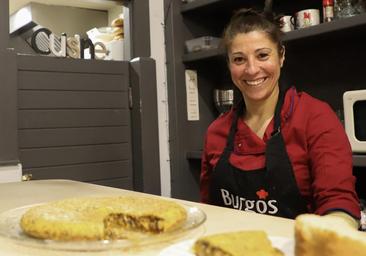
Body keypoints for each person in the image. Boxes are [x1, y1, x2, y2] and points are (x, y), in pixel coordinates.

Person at [200, 8, 360, 228]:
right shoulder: (216, 132)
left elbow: (338, 202)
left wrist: (337, 227)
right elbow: (208, 210)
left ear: (281, 56)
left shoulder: (315, 118)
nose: (252, 69)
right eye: (239, 59)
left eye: (262, 55)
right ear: (229, 65)